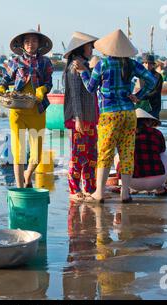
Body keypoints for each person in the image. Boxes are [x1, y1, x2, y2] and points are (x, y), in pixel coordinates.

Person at [73, 29, 156, 203]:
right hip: (128, 114)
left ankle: (99, 193)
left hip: (109, 115)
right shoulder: (131, 64)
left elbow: (90, 88)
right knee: (127, 153)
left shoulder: (103, 65)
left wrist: (83, 72)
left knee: (105, 153)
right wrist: (139, 96)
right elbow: (152, 80)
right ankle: (125, 193)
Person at [0, 29, 54, 188]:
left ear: (39, 44)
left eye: (34, 41)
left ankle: (28, 175)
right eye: (27, 41)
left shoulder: (45, 62)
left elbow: (49, 82)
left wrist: (42, 90)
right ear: (22, 44)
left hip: (37, 108)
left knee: (37, 155)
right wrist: (1, 88)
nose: (30, 44)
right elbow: (6, 79)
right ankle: (20, 187)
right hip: (17, 110)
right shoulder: (15, 62)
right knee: (19, 151)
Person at [63, 31, 99, 201]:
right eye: (89, 45)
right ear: (81, 47)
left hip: (90, 117)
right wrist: (77, 118)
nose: (92, 48)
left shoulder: (85, 65)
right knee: (78, 155)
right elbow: (75, 95)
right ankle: (74, 188)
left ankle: (90, 188)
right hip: (80, 117)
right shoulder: (74, 66)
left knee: (92, 155)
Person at [115, 108, 167, 195]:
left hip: (130, 181)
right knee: (164, 156)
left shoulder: (126, 134)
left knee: (118, 156)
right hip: (156, 181)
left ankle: (122, 187)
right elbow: (162, 150)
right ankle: (160, 189)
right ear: (148, 121)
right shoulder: (157, 133)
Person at [139, 53, 163, 119]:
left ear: (153, 65)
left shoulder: (158, 76)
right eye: (146, 63)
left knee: (151, 125)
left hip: (154, 106)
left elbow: (156, 91)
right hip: (142, 106)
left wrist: (142, 97)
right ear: (143, 64)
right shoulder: (140, 76)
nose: (147, 65)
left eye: (150, 63)